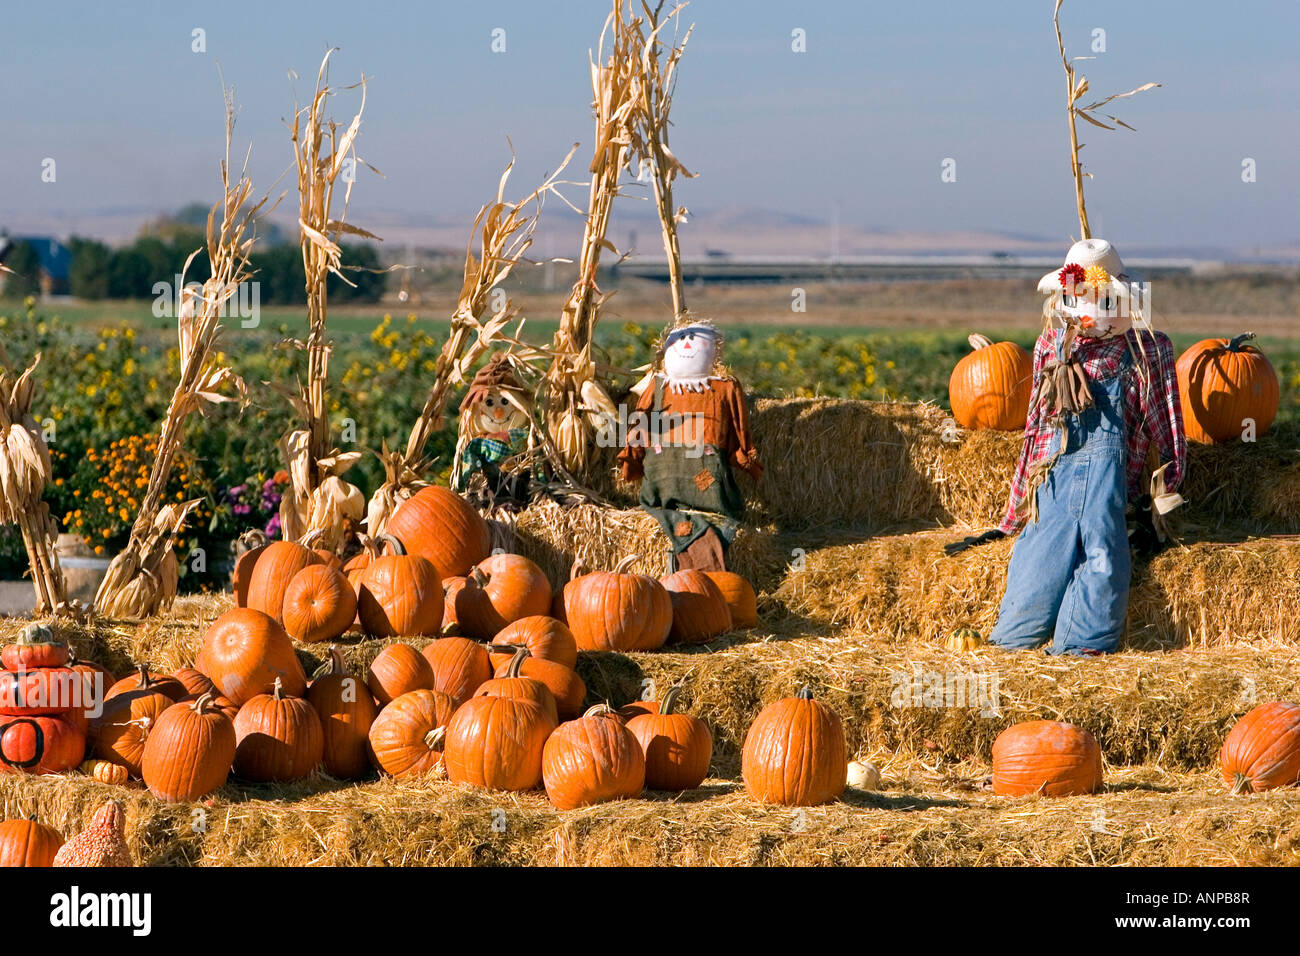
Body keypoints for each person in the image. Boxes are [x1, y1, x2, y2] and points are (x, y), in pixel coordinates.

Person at [946, 239, 1186, 655]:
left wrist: (1169, 486)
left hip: (1112, 495)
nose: (1090, 314)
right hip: (1055, 486)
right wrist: (1015, 510)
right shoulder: (1051, 348)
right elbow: (1037, 430)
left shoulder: (1147, 349)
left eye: (1104, 302)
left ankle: (1077, 657)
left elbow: (1167, 422)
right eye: (1079, 301)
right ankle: (1013, 650)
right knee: (1035, 568)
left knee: (1104, 566)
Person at [618, 319, 762, 572]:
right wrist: (633, 454)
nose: (685, 342)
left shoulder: (724, 387)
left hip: (699, 476)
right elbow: (639, 423)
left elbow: (740, 429)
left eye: (693, 338)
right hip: (670, 477)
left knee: (704, 482)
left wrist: (631, 459)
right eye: (680, 338)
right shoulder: (658, 385)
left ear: (715, 352)